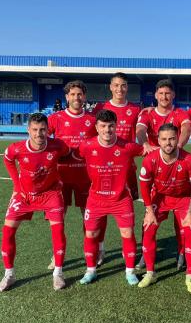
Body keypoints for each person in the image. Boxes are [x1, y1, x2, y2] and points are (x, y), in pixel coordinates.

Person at [0, 113, 71, 292]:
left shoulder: (58, 146)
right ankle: (9, 274)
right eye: (35, 130)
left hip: (50, 193)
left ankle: (58, 273)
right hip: (24, 195)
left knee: (58, 230)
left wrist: (59, 178)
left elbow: (67, 156)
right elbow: (7, 160)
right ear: (28, 130)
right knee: (7, 231)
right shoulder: (17, 148)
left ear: (48, 130)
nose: (39, 134)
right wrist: (17, 186)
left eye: (43, 129)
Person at [78, 109, 144, 286]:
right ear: (97, 127)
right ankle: (91, 270)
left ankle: (130, 271)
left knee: (127, 233)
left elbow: (147, 150)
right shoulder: (86, 146)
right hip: (96, 199)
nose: (107, 130)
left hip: (121, 199)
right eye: (103, 126)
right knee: (91, 233)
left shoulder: (127, 146)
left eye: (111, 126)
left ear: (116, 126)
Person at [136, 79, 191, 270]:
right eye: (161, 93)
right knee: (149, 218)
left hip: (176, 168)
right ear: (156, 95)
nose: (164, 97)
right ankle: (145, 254)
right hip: (156, 172)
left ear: (173, 95)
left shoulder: (179, 113)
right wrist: (145, 144)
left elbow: (186, 128)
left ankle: (182, 251)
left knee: (181, 220)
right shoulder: (147, 114)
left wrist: (179, 147)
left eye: (168, 93)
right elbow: (140, 130)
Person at [139, 123, 191, 290]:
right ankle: (150, 273)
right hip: (160, 197)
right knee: (148, 227)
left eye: (172, 139)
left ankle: (190, 275)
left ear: (178, 139)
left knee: (190, 230)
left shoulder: (188, 159)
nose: (168, 143)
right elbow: (145, 187)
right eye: (164, 139)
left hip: (184, 198)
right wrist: (149, 210)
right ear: (158, 141)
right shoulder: (150, 159)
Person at [47, 80, 98, 265]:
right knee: (59, 217)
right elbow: (44, 142)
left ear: (84, 97)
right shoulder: (55, 118)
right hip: (61, 177)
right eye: (72, 94)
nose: (76, 97)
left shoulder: (93, 120)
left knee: (89, 217)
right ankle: (57, 254)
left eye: (80, 94)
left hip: (85, 176)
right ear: (66, 97)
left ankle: (93, 251)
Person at [93, 72, 143, 263]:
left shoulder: (135, 109)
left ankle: (128, 250)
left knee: (128, 208)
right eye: (116, 85)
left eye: (123, 85)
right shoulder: (100, 108)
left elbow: (140, 133)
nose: (119, 89)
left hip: (125, 169)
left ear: (127, 87)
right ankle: (101, 247)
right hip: (103, 169)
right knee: (101, 208)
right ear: (110, 87)